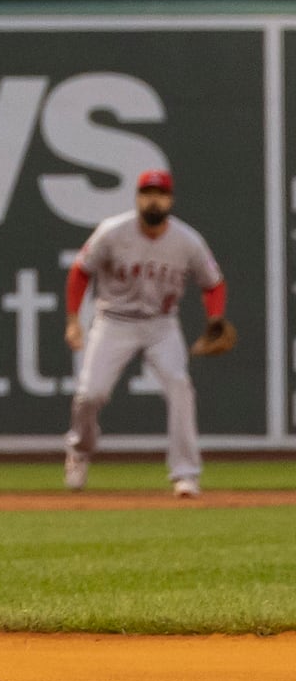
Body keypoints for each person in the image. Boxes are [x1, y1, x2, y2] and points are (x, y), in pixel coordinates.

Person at [64, 168, 227, 500]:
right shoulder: (112, 232)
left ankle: (186, 474)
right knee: (90, 394)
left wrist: (215, 317)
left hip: (161, 325)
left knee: (180, 387)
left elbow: (213, 283)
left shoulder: (187, 241)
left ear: (171, 200)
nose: (154, 200)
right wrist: (72, 320)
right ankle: (80, 450)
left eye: (161, 194)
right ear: (137, 198)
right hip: (114, 321)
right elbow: (81, 271)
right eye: (148, 193)